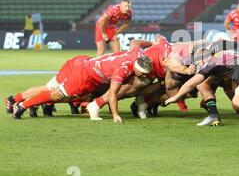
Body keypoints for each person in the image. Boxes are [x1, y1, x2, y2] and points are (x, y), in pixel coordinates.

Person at [11, 49, 152, 123]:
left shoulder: (138, 54)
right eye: (143, 73)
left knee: (64, 95)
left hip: (93, 72)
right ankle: (22, 105)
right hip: (85, 74)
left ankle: (29, 104)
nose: (144, 75)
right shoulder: (123, 69)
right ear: (136, 66)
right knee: (56, 94)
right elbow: (113, 93)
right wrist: (115, 114)